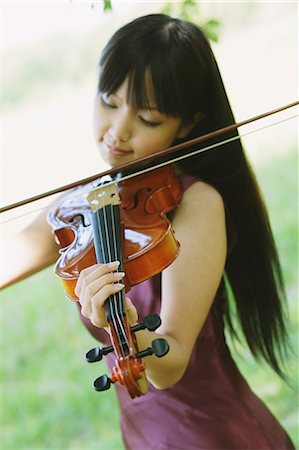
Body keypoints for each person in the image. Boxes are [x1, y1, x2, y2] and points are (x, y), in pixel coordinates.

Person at [1, 14, 295, 450]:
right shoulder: (87, 204)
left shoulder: (197, 204)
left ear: (189, 124)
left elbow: (169, 363)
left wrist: (131, 326)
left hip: (212, 437)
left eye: (148, 118)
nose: (118, 131)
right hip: (144, 438)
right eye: (108, 100)